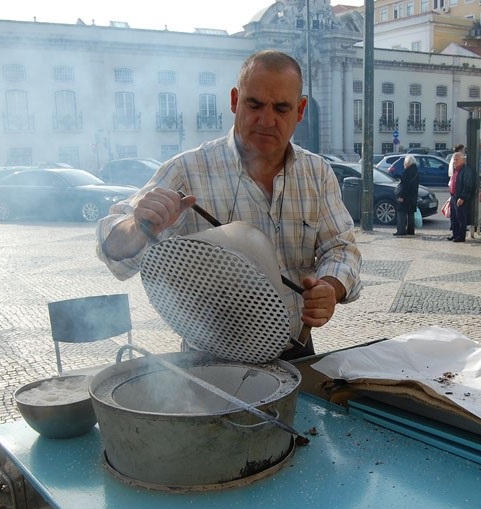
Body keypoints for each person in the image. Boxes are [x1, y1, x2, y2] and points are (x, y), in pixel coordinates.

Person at [95, 50, 362, 360]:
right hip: (212, 358)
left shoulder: (316, 172)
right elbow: (109, 244)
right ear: (235, 100)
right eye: (255, 104)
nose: (266, 120)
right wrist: (136, 227)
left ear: (300, 110)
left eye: (281, 108)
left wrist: (330, 286)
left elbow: (342, 247)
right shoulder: (187, 170)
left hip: (296, 352)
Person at [448, 151, 476, 243]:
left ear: (462, 160)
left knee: (461, 218)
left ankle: (461, 236)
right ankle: (455, 234)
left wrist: (463, 197)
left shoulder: (466, 170)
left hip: (460, 198)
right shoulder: (456, 169)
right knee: (454, 217)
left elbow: (468, 186)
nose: (455, 161)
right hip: (453, 197)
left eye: (456, 160)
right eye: (454, 160)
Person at [395, 154, 419, 236]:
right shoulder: (416, 170)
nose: (404, 164)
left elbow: (405, 185)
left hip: (406, 196)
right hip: (413, 196)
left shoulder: (408, 172)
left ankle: (401, 231)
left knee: (401, 212)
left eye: (405, 162)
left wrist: (401, 196)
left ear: (408, 163)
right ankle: (410, 231)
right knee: (410, 214)